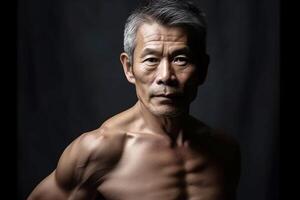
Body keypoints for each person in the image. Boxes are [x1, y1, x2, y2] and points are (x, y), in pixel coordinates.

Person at [28, 0, 241, 199]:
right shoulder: (98, 152)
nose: (166, 76)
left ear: (202, 69)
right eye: (151, 60)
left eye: (180, 59)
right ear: (129, 68)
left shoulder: (224, 151)